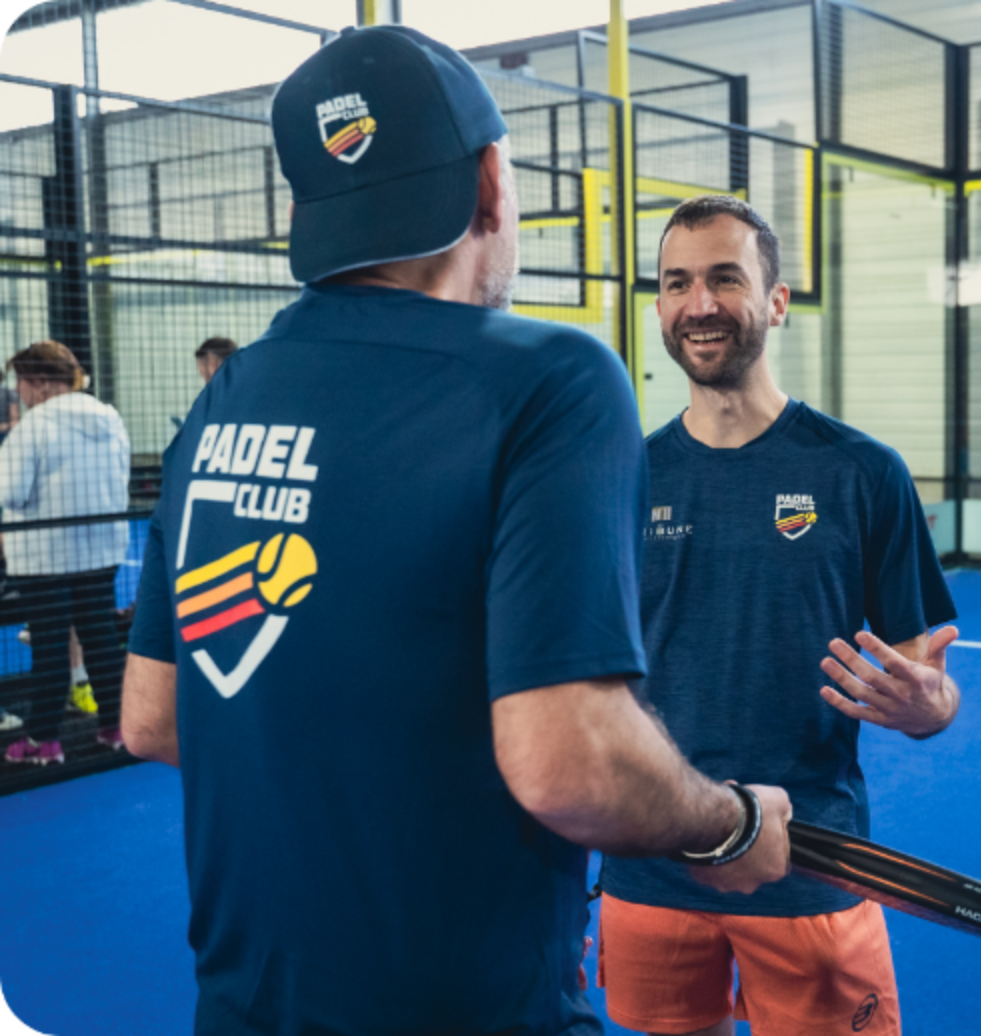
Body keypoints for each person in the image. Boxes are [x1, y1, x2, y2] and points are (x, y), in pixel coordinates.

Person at [120, 28, 793, 1036]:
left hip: (244, 1006)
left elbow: (156, 716)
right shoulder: (549, 379)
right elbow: (570, 765)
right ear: (490, 181)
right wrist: (727, 822)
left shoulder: (227, 397)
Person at [597, 196, 961, 1036]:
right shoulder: (620, 478)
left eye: (726, 278)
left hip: (809, 864)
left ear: (776, 300)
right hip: (651, 865)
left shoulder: (863, 472)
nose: (700, 304)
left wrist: (926, 706)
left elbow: (931, 686)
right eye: (677, 283)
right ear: (658, 306)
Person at [0, 340, 131, 764]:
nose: (18, 389)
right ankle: (114, 728)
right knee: (102, 640)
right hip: (101, 550)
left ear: (38, 382)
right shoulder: (109, 417)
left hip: (45, 558)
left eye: (20, 380)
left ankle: (43, 741)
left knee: (51, 646)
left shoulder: (34, 426)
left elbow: (12, 495)